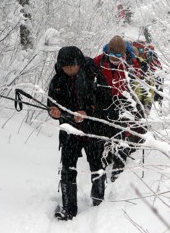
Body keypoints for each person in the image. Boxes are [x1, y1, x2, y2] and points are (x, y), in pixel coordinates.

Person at [47, 46, 112, 221]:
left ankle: (99, 202)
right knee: (68, 169)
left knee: (96, 165)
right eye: (64, 67)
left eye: (71, 66)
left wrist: (87, 113)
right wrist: (53, 111)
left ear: (79, 63)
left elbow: (107, 102)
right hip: (70, 132)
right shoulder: (58, 80)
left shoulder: (94, 75)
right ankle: (69, 209)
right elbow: (51, 102)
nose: (68, 70)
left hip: (93, 130)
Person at [94, 35, 146, 182]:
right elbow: (88, 66)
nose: (115, 59)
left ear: (124, 54)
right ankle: (107, 157)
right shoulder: (101, 60)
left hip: (124, 99)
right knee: (105, 130)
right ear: (107, 53)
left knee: (123, 131)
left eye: (118, 56)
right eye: (112, 56)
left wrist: (141, 68)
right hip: (105, 100)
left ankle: (119, 164)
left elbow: (140, 77)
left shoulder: (130, 62)